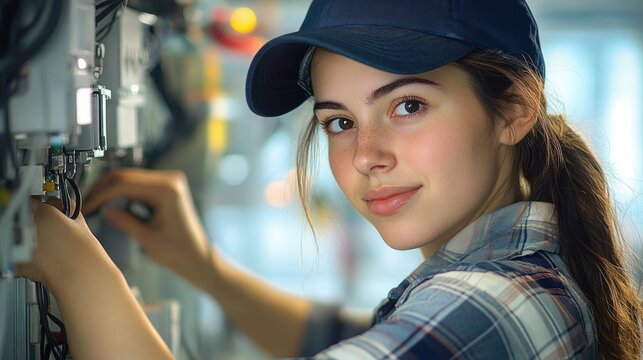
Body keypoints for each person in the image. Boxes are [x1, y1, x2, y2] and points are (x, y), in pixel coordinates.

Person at [16, 0, 642, 359]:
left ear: (513, 112)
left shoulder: (498, 303)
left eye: (408, 106)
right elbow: (346, 337)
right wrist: (201, 266)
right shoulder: (516, 273)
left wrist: (72, 266)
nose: (367, 155)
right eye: (339, 121)